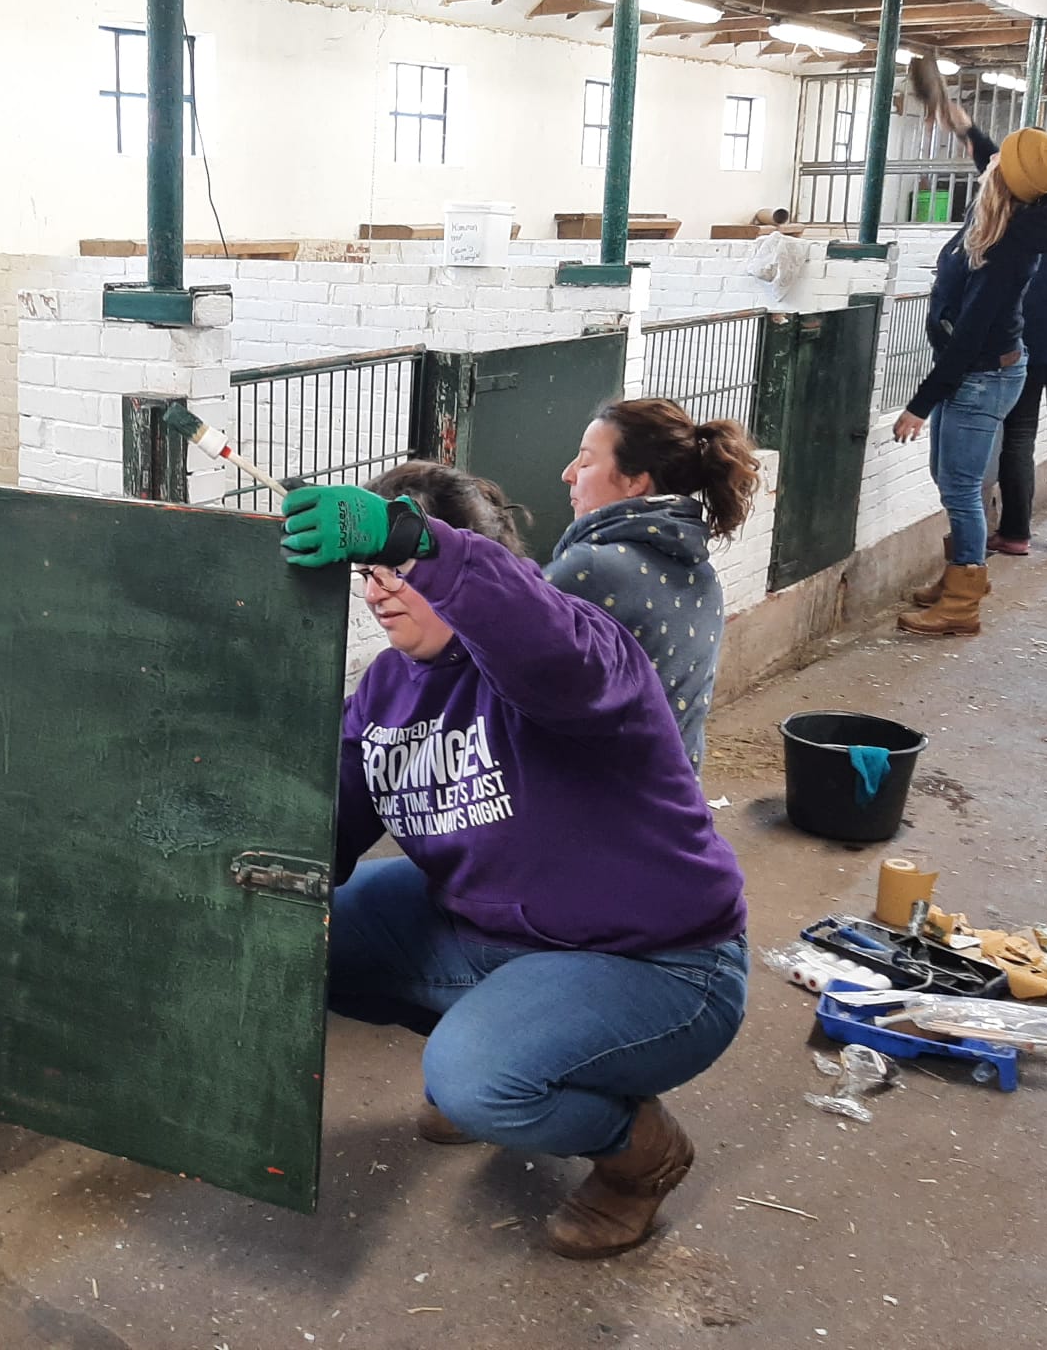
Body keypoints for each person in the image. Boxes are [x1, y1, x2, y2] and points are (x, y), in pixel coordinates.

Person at [279, 475, 749, 1258]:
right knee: (305, 937)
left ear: (467, 560)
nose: (379, 590)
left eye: (399, 568)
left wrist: (412, 540)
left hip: (660, 964)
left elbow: (539, 640)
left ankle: (638, 1154)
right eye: (370, 572)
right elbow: (327, 829)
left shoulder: (579, 652)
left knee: (476, 1078)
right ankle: (508, 1053)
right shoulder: (387, 686)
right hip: (499, 934)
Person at [892, 125, 1047, 636]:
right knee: (947, 477)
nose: (990, 161)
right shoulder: (1010, 208)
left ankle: (962, 602)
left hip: (981, 375)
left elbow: (971, 336)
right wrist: (962, 125)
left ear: (1005, 180)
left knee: (960, 487)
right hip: (975, 371)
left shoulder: (1007, 249)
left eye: (1000, 161)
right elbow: (996, 160)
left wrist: (920, 404)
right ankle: (960, 572)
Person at [936, 98, 1047, 558]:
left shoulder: (1015, 202)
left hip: (1025, 338)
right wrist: (968, 129)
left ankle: (1016, 533)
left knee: (1019, 434)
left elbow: (994, 168)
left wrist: (967, 128)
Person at [548, 401, 762, 774]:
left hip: (601, 800)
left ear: (635, 481)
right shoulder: (703, 575)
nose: (568, 474)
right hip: (675, 796)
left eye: (585, 462)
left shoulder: (593, 568)